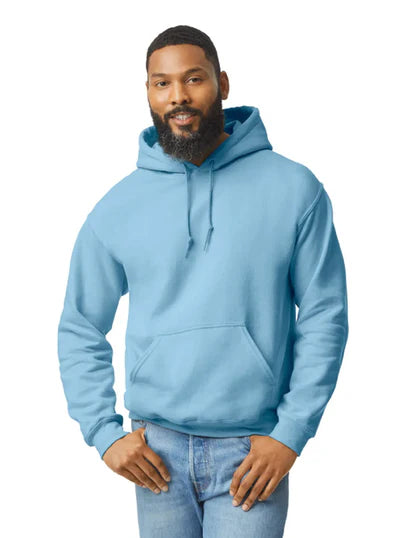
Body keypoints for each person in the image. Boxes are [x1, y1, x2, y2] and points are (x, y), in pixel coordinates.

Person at [57, 24, 349, 538]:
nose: (178, 96)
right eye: (162, 83)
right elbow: (81, 325)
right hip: (155, 453)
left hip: (252, 451)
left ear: (223, 84)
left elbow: (325, 314)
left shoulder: (294, 189)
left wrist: (292, 432)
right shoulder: (118, 207)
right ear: (148, 93)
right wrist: (104, 432)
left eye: (193, 79)